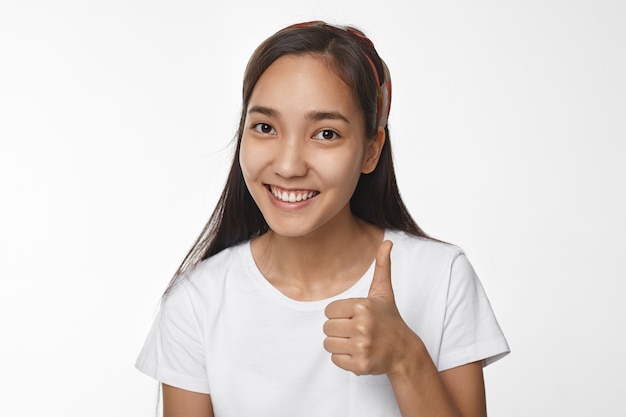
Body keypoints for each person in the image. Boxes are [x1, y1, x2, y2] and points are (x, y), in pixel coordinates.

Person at [135, 21, 509, 417]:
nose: (289, 165)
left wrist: (406, 359)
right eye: (265, 127)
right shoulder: (196, 302)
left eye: (326, 134)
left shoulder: (442, 278)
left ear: (370, 150)